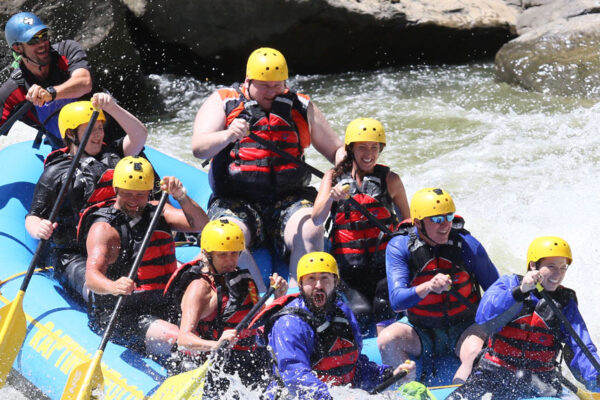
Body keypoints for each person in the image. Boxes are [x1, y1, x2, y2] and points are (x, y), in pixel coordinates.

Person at [191, 47, 344, 286]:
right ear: (248, 81)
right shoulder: (224, 101)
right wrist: (228, 134)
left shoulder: (300, 106)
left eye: (277, 86)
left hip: (290, 200)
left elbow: (336, 150)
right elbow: (199, 147)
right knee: (229, 237)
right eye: (264, 86)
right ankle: (257, 300)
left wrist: (352, 168)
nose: (272, 93)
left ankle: (297, 299)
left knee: (312, 228)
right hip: (236, 201)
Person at [81, 156, 208, 356]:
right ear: (116, 191)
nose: (134, 201)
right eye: (128, 193)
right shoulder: (104, 229)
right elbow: (91, 277)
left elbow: (201, 224)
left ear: (149, 192)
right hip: (121, 313)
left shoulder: (160, 211)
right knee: (185, 346)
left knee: (209, 331)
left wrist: (181, 196)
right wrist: (113, 286)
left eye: (140, 194)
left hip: (163, 303)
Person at [25, 94, 147, 301]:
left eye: (100, 128)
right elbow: (33, 215)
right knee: (101, 295)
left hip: (119, 245)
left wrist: (113, 108)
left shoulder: (115, 153)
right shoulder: (56, 172)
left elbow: (139, 135)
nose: (99, 135)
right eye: (91, 129)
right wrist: (39, 228)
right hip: (75, 254)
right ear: (72, 134)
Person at [448, 236, 600, 400]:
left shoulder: (564, 302)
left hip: (541, 380)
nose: (559, 274)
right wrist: (520, 292)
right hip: (494, 372)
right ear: (533, 265)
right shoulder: (507, 284)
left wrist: (596, 377)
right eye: (551, 267)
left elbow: (581, 345)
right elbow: (483, 318)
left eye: (563, 268)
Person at [377, 187, 500, 384]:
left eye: (449, 216)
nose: (445, 225)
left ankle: (461, 393)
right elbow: (397, 301)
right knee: (387, 340)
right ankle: (409, 391)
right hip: (420, 328)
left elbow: (497, 293)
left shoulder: (468, 245)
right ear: (418, 223)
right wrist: (428, 287)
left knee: (475, 352)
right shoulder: (400, 247)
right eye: (436, 219)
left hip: (465, 327)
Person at [261, 251, 415, 399]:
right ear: (300, 284)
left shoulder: (343, 313)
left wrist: (389, 375)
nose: (318, 285)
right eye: (311, 279)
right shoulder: (289, 323)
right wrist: (333, 397)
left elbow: (354, 366)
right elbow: (295, 376)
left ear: (336, 282)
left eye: (325, 278)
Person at [164, 218, 288, 393]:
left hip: (244, 359)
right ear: (208, 254)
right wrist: (215, 345)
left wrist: (277, 297)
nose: (230, 261)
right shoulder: (200, 288)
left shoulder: (243, 279)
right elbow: (184, 340)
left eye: (234, 254)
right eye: (223, 255)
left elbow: (259, 321)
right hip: (208, 362)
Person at [312, 117, 409, 335]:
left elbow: (407, 225)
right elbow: (316, 218)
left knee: (384, 306)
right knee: (361, 311)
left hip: (384, 266)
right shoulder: (333, 177)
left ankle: (387, 352)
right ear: (351, 149)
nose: (369, 154)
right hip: (349, 267)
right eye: (363, 147)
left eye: (374, 148)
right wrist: (331, 198)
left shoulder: (391, 180)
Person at [1, 11, 93, 146]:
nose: (42, 43)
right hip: (67, 147)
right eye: (33, 40)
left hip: (101, 127)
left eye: (44, 36)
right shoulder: (12, 91)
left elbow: (85, 83)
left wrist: (50, 93)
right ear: (18, 48)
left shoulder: (67, 50)